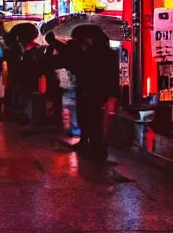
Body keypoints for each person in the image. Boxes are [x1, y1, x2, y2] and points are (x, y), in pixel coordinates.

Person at [45, 26, 119, 160]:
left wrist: (111, 96)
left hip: (99, 93)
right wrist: (53, 44)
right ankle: (88, 143)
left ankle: (97, 149)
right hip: (87, 91)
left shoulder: (103, 54)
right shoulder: (87, 52)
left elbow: (111, 76)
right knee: (86, 119)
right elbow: (64, 59)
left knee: (96, 121)